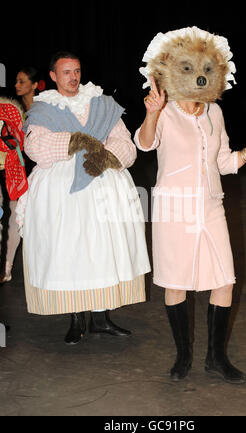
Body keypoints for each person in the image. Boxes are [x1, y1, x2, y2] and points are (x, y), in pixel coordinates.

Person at [135, 71, 246, 384]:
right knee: (176, 283)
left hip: (211, 205)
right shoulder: (165, 110)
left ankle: (216, 357)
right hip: (175, 206)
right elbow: (145, 144)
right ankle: (183, 355)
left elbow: (224, 162)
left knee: (225, 278)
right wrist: (151, 113)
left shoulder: (214, 111)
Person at [16, 51, 150, 345]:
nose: (73, 77)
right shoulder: (43, 109)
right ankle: (76, 319)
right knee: (71, 251)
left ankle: (101, 319)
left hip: (102, 182)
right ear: (52, 76)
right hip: (61, 192)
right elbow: (35, 147)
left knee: (103, 249)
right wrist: (74, 140)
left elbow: (124, 141)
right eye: (66, 72)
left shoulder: (101, 103)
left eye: (76, 71)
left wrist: (106, 156)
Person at [0, 67, 41, 283]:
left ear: (34, 85)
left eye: (21, 81)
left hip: (35, 169)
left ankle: (12, 266)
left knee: (25, 219)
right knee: (12, 217)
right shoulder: (10, 109)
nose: (16, 85)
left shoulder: (42, 109)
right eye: (16, 80)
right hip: (15, 168)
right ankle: (6, 266)